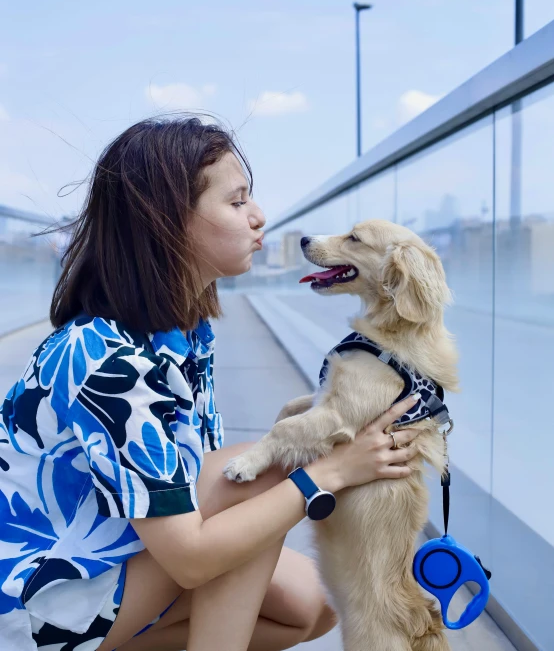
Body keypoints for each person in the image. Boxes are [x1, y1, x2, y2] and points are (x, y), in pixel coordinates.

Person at [0, 116, 421, 651]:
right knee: (270, 471)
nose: (259, 217)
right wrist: (330, 471)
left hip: (104, 551)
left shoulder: (184, 333)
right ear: (167, 221)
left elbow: (192, 477)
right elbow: (191, 557)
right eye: (237, 201)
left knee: (311, 606)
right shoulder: (105, 359)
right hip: (31, 602)